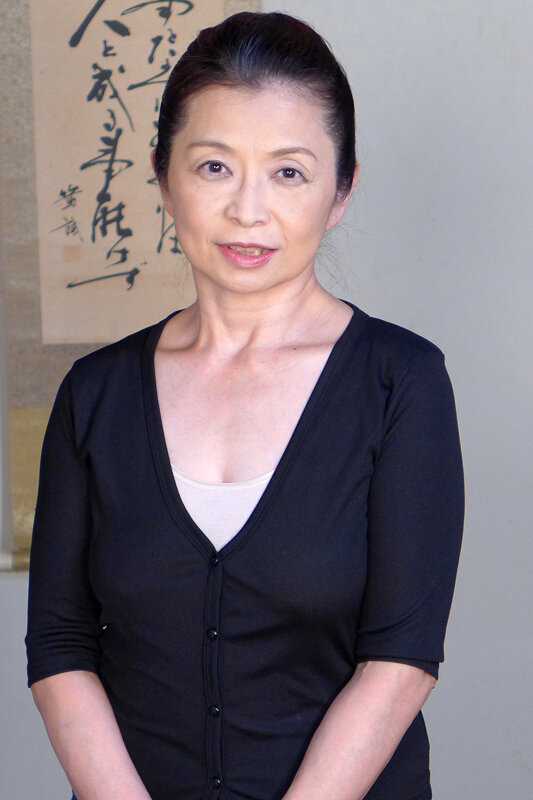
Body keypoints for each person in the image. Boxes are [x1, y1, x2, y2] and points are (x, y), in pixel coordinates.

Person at [26, 11, 464, 800]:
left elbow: (399, 660)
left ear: (340, 190)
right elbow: (60, 644)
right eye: (214, 167)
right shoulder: (94, 394)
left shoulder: (400, 382)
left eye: (288, 173)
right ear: (164, 178)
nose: (248, 211)